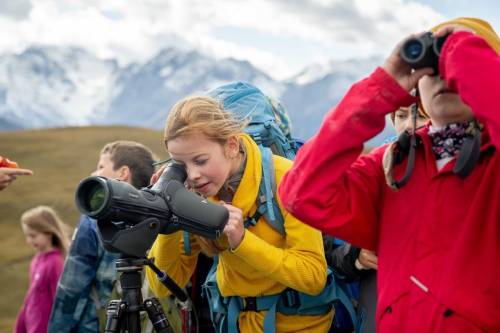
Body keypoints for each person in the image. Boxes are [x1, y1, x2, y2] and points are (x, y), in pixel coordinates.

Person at [278, 17, 500, 332]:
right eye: (432, 67)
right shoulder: (393, 167)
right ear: (416, 94)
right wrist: (381, 89)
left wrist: (466, 56)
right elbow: (302, 194)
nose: (444, 75)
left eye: (460, 64)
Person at [146, 96, 333, 332]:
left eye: (200, 160)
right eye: (181, 164)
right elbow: (163, 286)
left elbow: (313, 277)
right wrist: (167, 214)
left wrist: (243, 241)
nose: (192, 175)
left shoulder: (286, 177)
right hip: (236, 323)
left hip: (298, 325)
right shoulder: (196, 191)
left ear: (231, 146)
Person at [48, 141, 179, 333]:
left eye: (101, 166)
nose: (94, 173)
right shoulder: (165, 215)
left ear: (123, 173)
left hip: (101, 324)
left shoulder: (92, 220)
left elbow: (72, 288)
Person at [327, 104, 430, 333]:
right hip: (381, 306)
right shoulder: (373, 169)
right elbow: (329, 253)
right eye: (401, 116)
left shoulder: (464, 169)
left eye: (422, 116)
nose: (408, 125)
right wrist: (357, 256)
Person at [14, 205, 71, 333]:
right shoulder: (36, 260)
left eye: (33, 236)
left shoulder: (55, 263)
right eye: (27, 236)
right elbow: (31, 297)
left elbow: (59, 302)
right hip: (32, 327)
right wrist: (20, 326)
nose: (29, 240)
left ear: (49, 232)